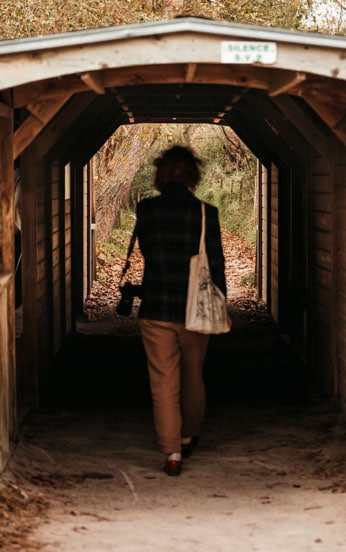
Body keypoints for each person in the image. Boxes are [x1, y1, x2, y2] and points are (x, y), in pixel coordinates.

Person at [134, 145, 227, 476]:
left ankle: (171, 452)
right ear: (193, 175)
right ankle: (188, 436)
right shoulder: (206, 213)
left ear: (160, 175)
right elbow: (215, 264)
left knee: (163, 382)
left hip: (156, 305)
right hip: (195, 310)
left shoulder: (146, 210)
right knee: (193, 376)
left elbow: (145, 251)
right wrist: (223, 305)